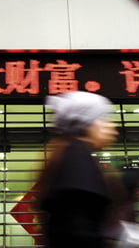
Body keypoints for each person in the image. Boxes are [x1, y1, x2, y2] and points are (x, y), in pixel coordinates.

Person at [38, 91, 119, 248]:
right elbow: (78, 229)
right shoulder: (77, 157)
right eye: (105, 119)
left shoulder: (67, 152)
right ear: (87, 125)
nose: (113, 127)